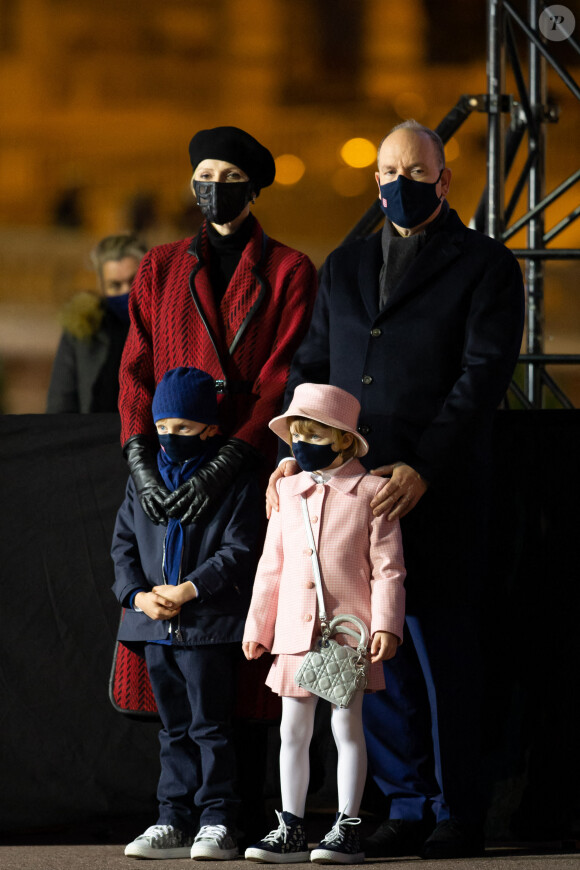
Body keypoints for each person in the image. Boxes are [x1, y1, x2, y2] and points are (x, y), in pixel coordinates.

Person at [267, 120, 525, 859]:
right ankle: (404, 804)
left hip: (434, 493)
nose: (395, 183)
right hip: (349, 497)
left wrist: (424, 466)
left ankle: (456, 810)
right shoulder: (343, 266)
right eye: (385, 170)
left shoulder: (486, 266)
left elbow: (481, 378)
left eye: (411, 171)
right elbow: (313, 367)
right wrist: (296, 449)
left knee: (441, 654)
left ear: (443, 180)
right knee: (372, 662)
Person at [118, 125, 318, 528]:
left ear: (252, 189)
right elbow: (134, 370)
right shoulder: (159, 266)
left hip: (247, 459)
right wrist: (141, 463)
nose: (215, 186)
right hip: (169, 461)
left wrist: (230, 460)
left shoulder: (289, 270)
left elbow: (284, 376)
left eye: (231, 177)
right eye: (206, 176)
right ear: (193, 186)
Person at [243, 383, 406, 864]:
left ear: (341, 439)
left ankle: (346, 827)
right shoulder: (288, 490)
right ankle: (291, 825)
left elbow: (388, 568)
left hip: (348, 632)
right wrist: (259, 626)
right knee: (292, 730)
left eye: (310, 435)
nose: (298, 446)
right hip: (294, 630)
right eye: (295, 436)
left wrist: (386, 623)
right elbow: (271, 564)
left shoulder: (371, 492)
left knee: (346, 728)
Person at [111, 366, 263, 861]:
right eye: (161, 429)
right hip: (155, 628)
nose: (169, 438)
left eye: (182, 428)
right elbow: (124, 546)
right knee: (172, 729)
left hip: (207, 627)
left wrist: (190, 590)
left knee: (210, 728)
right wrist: (138, 596)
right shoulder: (143, 480)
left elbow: (240, 549)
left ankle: (218, 819)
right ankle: (172, 819)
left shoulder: (235, 480)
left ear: (210, 428)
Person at [46, 233, 147, 413]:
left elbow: (214, 382)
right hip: (95, 435)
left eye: (133, 281)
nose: (127, 291)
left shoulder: (168, 325)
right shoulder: (82, 328)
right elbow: (60, 401)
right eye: (115, 285)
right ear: (102, 286)